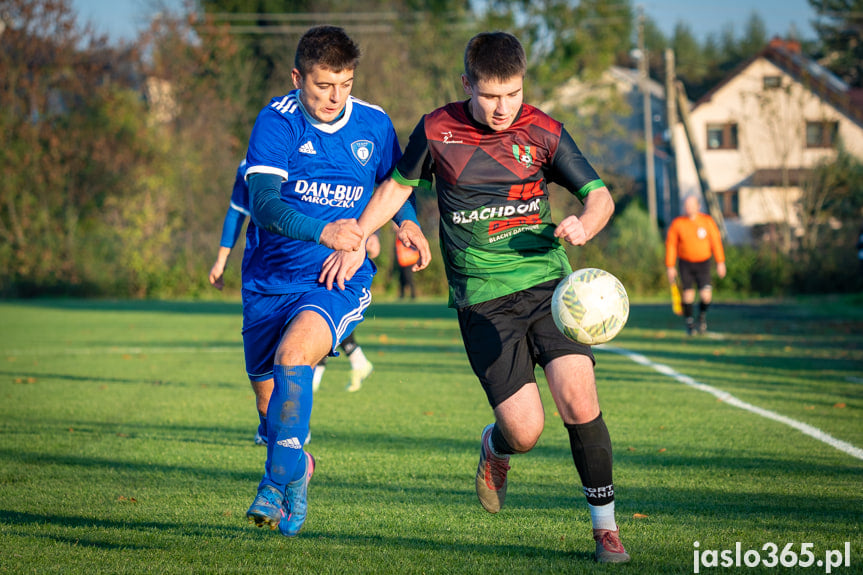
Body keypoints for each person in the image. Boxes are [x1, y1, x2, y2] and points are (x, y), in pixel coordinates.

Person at [321, 31, 629, 564]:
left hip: (549, 289)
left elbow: (599, 196)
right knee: (525, 431)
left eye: (512, 94)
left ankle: (606, 530)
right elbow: (396, 188)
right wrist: (355, 237)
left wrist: (586, 222)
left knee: (580, 403)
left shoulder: (543, 130)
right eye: (490, 96)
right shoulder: (438, 129)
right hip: (483, 301)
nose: (503, 107)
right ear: (468, 84)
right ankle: (495, 448)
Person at [239, 25, 429, 538]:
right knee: (268, 411)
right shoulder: (276, 123)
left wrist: (407, 224)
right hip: (268, 280)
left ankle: (275, 481)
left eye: (344, 83)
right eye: (323, 85)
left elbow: (396, 187)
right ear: (298, 77)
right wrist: (324, 230)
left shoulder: (373, 124)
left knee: (294, 358)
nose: (334, 96)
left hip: (337, 278)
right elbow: (264, 205)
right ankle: (298, 468)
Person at [208, 161, 378, 449]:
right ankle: (274, 428)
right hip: (267, 283)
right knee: (266, 399)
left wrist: (372, 232)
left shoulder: (326, 152)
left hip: (322, 272)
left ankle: (296, 434)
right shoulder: (250, 167)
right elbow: (237, 212)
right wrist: (222, 259)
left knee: (299, 350)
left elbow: (388, 185)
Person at [665, 194, 726, 335]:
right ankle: (690, 323)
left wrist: (720, 262)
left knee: (706, 296)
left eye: (692, 205)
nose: (689, 208)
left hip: (703, 263)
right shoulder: (678, 223)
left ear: (698, 207)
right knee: (688, 296)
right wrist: (670, 266)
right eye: (686, 205)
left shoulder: (707, 221)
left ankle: (701, 318)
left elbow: (715, 242)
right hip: (685, 263)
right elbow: (671, 245)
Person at [394, 233, 418, 299]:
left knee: (409, 278)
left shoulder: (405, 235)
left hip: (409, 261)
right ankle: (402, 295)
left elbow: (414, 247)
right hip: (402, 262)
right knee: (401, 279)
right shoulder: (398, 238)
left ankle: (413, 295)